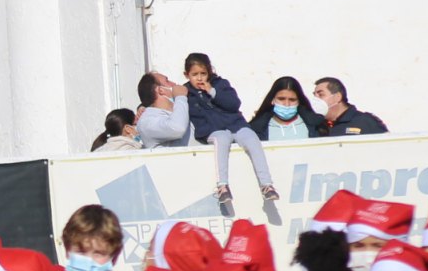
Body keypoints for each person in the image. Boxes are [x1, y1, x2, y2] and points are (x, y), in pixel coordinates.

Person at [183, 52, 277, 204]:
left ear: (210, 72)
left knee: (252, 139)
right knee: (221, 140)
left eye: (203, 73)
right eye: (195, 74)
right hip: (212, 130)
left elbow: (234, 104)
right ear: (186, 75)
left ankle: (267, 184)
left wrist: (212, 92)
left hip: (235, 125)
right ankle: (222, 186)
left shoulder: (221, 84)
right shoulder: (186, 93)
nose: (200, 78)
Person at [248, 76, 324, 142]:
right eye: (281, 99)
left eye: (292, 100)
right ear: (272, 100)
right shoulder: (256, 129)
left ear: (299, 101)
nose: (286, 104)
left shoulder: (316, 126)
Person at [133, 72, 191, 150]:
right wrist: (180, 96)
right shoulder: (146, 121)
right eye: (167, 81)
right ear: (160, 90)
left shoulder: (181, 108)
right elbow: (177, 128)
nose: (174, 83)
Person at [313, 78, 389, 136]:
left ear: (338, 97)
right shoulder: (317, 125)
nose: (316, 100)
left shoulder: (365, 121)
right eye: (314, 96)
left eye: (321, 95)